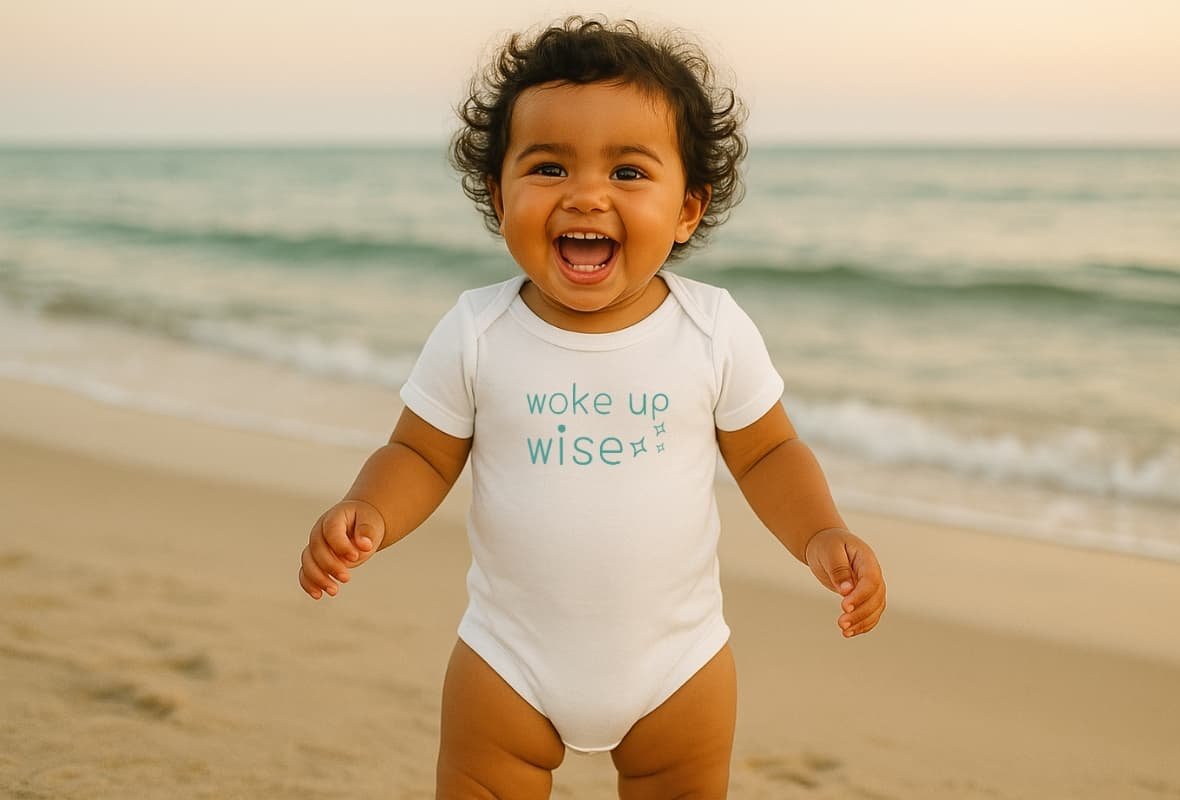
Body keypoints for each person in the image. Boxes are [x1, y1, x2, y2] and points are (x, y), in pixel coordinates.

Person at [298, 16, 886, 799]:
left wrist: (820, 532)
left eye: (629, 173)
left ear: (687, 209)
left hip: (678, 664)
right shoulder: (478, 329)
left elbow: (767, 453)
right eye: (547, 167)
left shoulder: (710, 328)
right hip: (507, 659)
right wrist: (366, 510)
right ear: (497, 192)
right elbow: (421, 455)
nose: (586, 194)